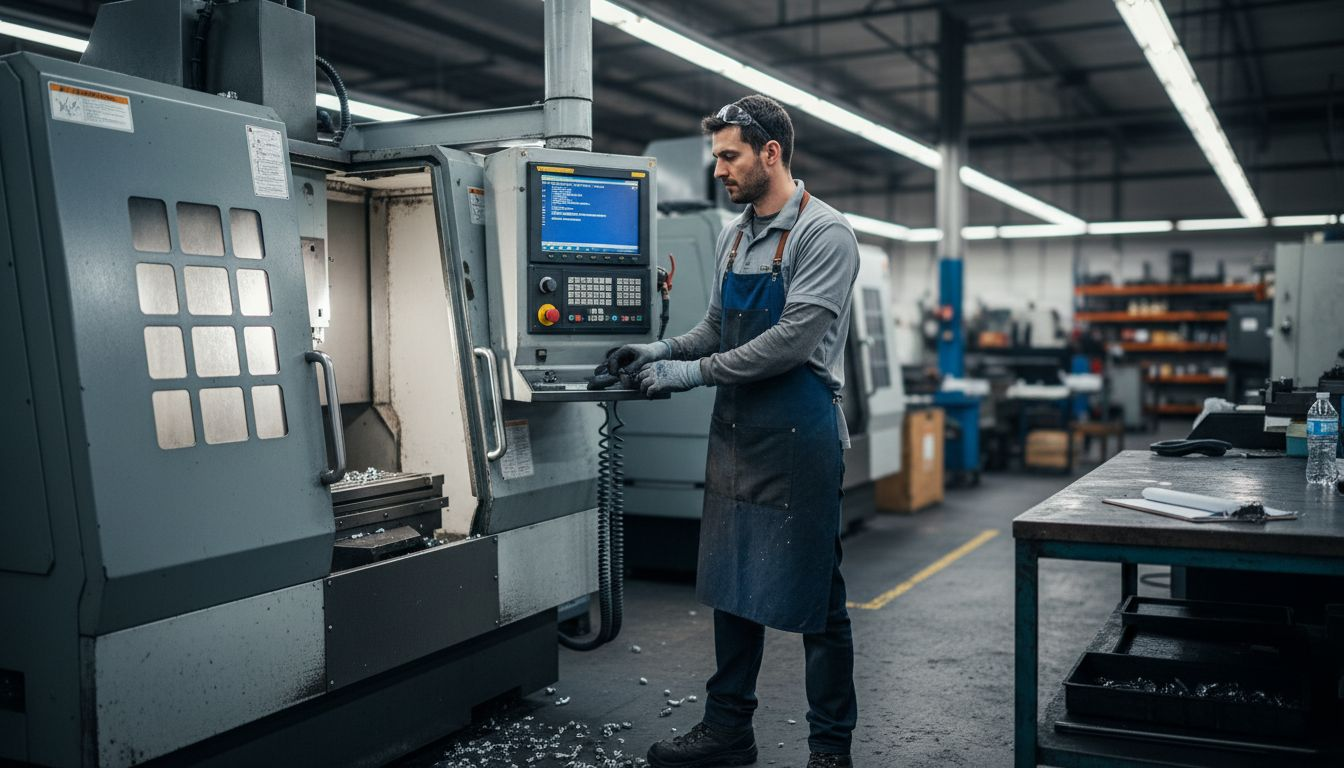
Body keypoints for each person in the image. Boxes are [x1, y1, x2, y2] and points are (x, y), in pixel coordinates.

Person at [602, 94, 861, 768]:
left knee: (818, 601)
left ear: (770, 152)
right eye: (717, 156)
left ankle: (831, 749)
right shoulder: (736, 233)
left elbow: (789, 343)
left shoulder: (823, 233)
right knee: (732, 582)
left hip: (801, 438)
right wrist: (659, 353)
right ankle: (728, 730)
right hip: (740, 434)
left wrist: (687, 378)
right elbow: (718, 329)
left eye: (729, 156)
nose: (718, 170)